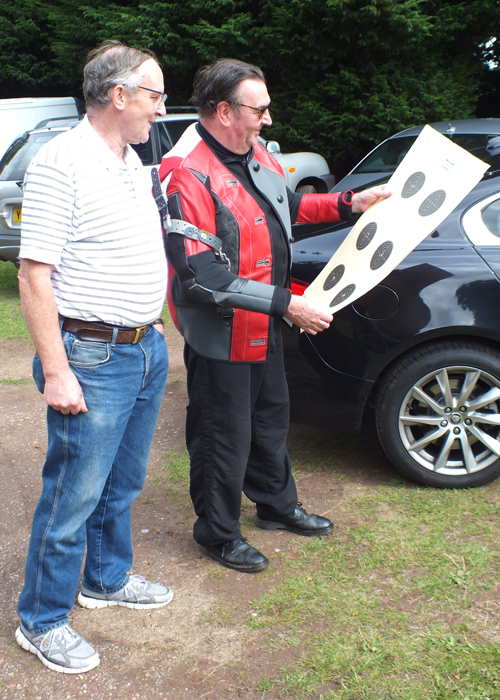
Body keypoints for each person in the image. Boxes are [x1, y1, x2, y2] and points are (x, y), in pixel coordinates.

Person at [159, 58, 391, 575]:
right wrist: (289, 304)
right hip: (222, 333)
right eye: (258, 109)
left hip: (264, 324)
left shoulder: (255, 150)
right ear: (224, 110)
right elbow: (200, 278)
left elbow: (287, 206)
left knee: (269, 421)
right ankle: (217, 533)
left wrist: (352, 203)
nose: (268, 119)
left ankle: (276, 506)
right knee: (223, 433)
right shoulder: (186, 172)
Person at [15, 41, 172, 674]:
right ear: (120, 96)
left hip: (144, 347)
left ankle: (105, 579)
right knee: (72, 495)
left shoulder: (132, 160)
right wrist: (57, 370)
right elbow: (33, 274)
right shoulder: (62, 161)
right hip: (93, 356)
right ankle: (43, 618)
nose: (161, 108)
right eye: (156, 94)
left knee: (123, 482)